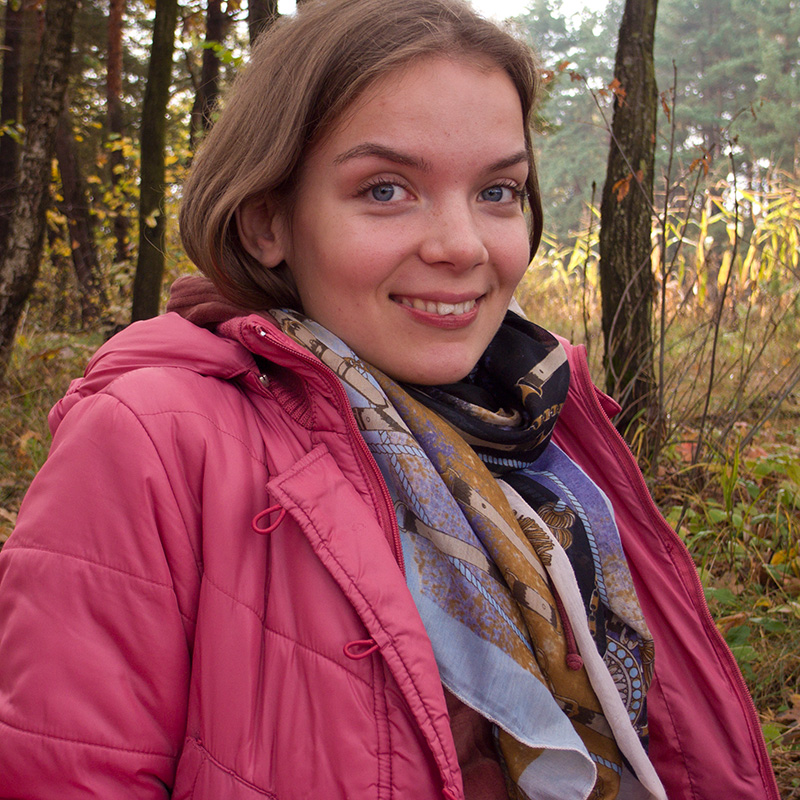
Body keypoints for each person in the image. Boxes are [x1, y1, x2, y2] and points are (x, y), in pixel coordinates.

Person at [0, 0, 778, 797]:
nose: (461, 246)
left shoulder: (545, 428)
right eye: (384, 190)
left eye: (498, 191)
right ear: (268, 222)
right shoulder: (152, 442)